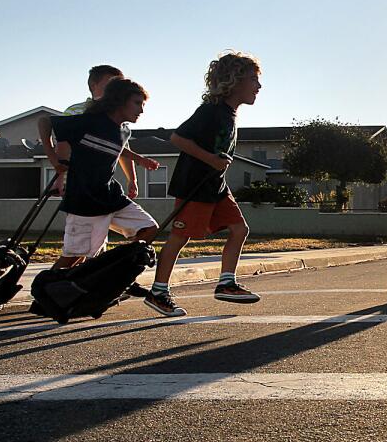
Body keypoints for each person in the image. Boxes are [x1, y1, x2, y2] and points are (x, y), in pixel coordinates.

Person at [144, 51, 262, 318]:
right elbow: (178, 138)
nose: (259, 86)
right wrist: (210, 159)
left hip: (216, 187)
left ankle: (226, 283)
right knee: (180, 236)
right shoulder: (211, 111)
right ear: (235, 80)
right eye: (254, 79)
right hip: (195, 186)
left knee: (239, 229)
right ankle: (158, 291)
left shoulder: (230, 114)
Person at [38, 79, 160, 275]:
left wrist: (139, 159)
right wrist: (53, 160)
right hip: (84, 200)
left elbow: (116, 148)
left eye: (143, 105)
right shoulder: (89, 122)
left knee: (149, 229)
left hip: (111, 196)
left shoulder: (124, 131)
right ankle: (45, 293)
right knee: (73, 257)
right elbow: (44, 122)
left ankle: (107, 272)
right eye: (137, 103)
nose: (141, 110)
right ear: (120, 100)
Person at [54, 65, 159, 203]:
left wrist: (132, 179)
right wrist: (59, 179)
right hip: (77, 183)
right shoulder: (77, 112)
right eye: (112, 83)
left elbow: (120, 148)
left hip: (102, 183)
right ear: (94, 85)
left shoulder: (119, 117)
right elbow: (63, 145)